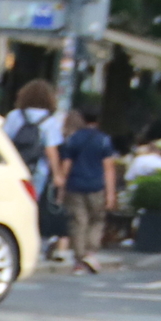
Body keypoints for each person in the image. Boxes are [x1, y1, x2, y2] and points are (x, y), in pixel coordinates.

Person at [51, 108, 117, 274]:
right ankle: (91, 252)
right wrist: (110, 193)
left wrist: (61, 188)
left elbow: (66, 166)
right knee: (97, 220)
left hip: (75, 185)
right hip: (96, 186)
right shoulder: (103, 140)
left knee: (78, 222)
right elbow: (108, 168)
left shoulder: (73, 139)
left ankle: (79, 260)